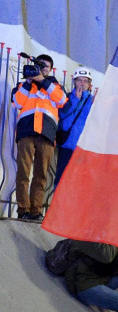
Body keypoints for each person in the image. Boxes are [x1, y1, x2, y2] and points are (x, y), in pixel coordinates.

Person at [10, 53, 67, 220]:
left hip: (46, 134)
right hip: (26, 132)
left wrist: (43, 81)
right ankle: (23, 211)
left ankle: (36, 211)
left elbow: (62, 101)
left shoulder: (55, 86)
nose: (41, 69)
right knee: (23, 172)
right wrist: (29, 82)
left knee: (41, 175)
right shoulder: (23, 85)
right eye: (39, 65)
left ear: (50, 70)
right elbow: (17, 102)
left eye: (45, 67)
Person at [54, 67, 95, 189]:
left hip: (84, 147)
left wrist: (98, 105)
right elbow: (62, 114)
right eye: (79, 80)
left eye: (85, 81)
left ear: (89, 84)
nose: (82, 83)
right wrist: (75, 100)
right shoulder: (65, 98)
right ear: (74, 82)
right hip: (66, 145)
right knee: (61, 179)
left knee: (80, 182)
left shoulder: (93, 102)